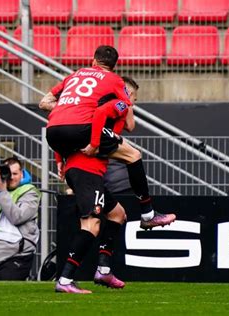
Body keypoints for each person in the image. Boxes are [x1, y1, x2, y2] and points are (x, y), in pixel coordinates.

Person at [39, 46, 175, 231]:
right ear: (113, 66)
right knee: (133, 155)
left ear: (93, 61)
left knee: (107, 217)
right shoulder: (114, 80)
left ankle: (99, 258)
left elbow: (43, 102)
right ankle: (148, 214)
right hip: (84, 131)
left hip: (53, 132)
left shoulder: (74, 75)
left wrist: (71, 109)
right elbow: (129, 123)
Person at [54, 77, 167, 293]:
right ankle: (65, 279)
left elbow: (62, 133)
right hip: (86, 172)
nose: (132, 102)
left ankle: (104, 270)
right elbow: (131, 125)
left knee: (117, 214)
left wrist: (59, 160)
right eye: (132, 97)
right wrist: (126, 99)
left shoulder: (84, 115)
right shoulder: (110, 108)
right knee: (91, 225)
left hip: (85, 172)